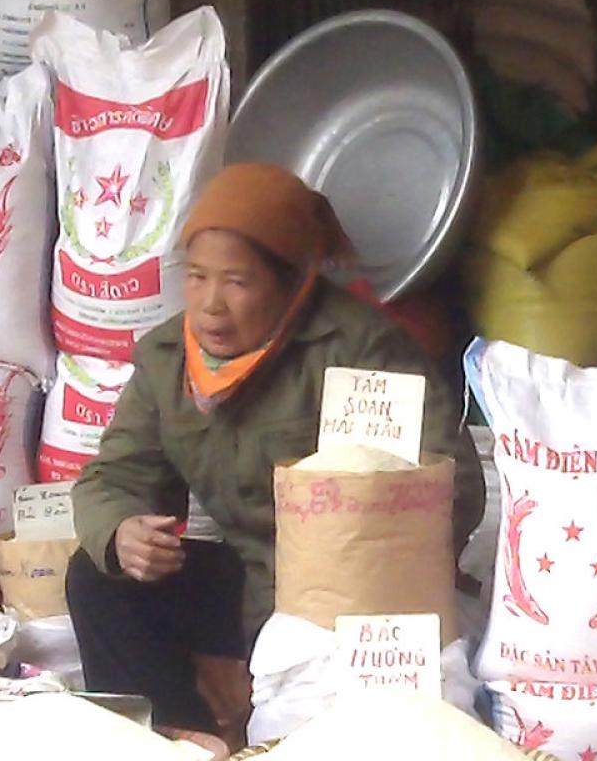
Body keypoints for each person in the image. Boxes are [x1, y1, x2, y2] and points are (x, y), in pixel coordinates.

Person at [67, 163, 483, 742]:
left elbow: (453, 485)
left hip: (349, 597)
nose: (211, 305)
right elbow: (114, 475)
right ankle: (176, 739)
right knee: (98, 576)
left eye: (237, 282)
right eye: (197, 277)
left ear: (294, 284)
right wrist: (122, 530)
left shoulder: (359, 348)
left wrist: (352, 530)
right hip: (246, 583)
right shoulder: (167, 360)